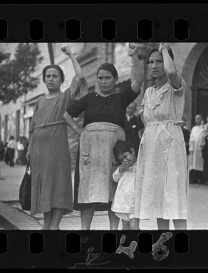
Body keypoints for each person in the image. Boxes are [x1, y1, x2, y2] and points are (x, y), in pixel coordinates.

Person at [64, 43, 144, 230]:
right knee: (88, 194)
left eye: (108, 78)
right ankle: (85, 231)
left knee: (113, 191)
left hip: (113, 150)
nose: (103, 81)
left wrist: (134, 56)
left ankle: (113, 232)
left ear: (115, 80)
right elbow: (67, 114)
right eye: (100, 78)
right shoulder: (89, 98)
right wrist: (79, 131)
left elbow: (139, 81)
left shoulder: (120, 98)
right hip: (90, 151)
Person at [26, 46, 83, 230]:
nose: (50, 79)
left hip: (57, 149)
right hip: (38, 151)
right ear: (44, 79)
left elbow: (80, 77)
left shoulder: (64, 97)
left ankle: (55, 225)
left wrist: (71, 55)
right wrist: (29, 148)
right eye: (48, 76)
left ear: (61, 80)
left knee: (58, 183)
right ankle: (47, 224)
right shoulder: (39, 101)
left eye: (54, 76)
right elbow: (32, 128)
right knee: (44, 185)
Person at [134, 43, 188, 230]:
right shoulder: (148, 92)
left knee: (174, 195)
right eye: (151, 62)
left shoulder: (176, 85)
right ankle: (163, 244)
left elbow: (172, 73)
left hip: (171, 142)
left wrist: (164, 49)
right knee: (157, 198)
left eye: (159, 61)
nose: (154, 65)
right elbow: (147, 121)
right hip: (151, 146)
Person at [111, 140, 139, 230]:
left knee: (134, 226)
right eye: (121, 160)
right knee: (125, 226)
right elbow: (115, 178)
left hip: (135, 203)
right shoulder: (122, 168)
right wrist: (121, 169)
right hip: (123, 203)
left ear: (132, 151)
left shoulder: (140, 166)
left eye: (125, 156)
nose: (124, 160)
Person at [189, 114, 207, 184]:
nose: (197, 120)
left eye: (199, 118)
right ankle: (194, 179)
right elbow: (192, 137)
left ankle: (201, 179)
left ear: (201, 119)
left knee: (200, 164)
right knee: (193, 164)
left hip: (200, 148)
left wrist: (203, 127)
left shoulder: (203, 127)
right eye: (196, 119)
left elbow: (205, 135)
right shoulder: (193, 128)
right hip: (194, 148)